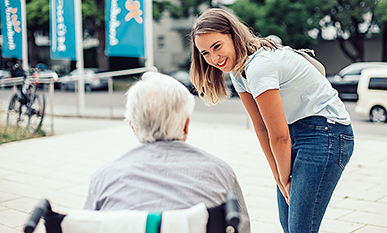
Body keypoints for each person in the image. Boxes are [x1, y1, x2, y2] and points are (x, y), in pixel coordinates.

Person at [190, 8, 354, 233]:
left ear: (233, 35)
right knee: (288, 224)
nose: (213, 58)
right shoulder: (239, 72)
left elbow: (279, 136)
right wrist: (279, 177)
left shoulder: (259, 66)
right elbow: (261, 128)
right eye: (205, 53)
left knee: (299, 228)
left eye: (217, 46)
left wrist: (285, 179)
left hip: (327, 133)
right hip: (297, 131)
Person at [83, 71, 251, 232]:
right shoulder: (221, 172)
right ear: (186, 125)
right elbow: (242, 229)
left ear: (133, 126)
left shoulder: (103, 178)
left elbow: (86, 226)